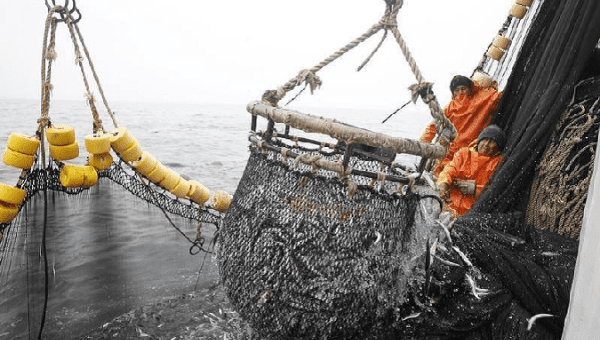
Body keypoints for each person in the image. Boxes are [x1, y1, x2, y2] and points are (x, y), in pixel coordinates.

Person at [420, 75, 502, 175]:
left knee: (460, 174)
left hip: (472, 148)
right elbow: (434, 125)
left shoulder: (484, 98)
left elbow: (499, 97)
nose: (460, 92)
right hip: (451, 148)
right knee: (441, 172)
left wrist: (492, 87)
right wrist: (424, 141)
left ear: (470, 89)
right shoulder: (450, 106)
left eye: (463, 89)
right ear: (453, 93)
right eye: (457, 90)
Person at [437, 125, 506, 216]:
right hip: (448, 205)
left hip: (472, 213)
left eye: (492, 142)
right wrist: (443, 183)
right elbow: (450, 169)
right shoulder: (463, 153)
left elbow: (497, 189)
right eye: (485, 139)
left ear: (498, 147)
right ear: (479, 140)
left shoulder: (498, 164)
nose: (486, 144)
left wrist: (474, 189)